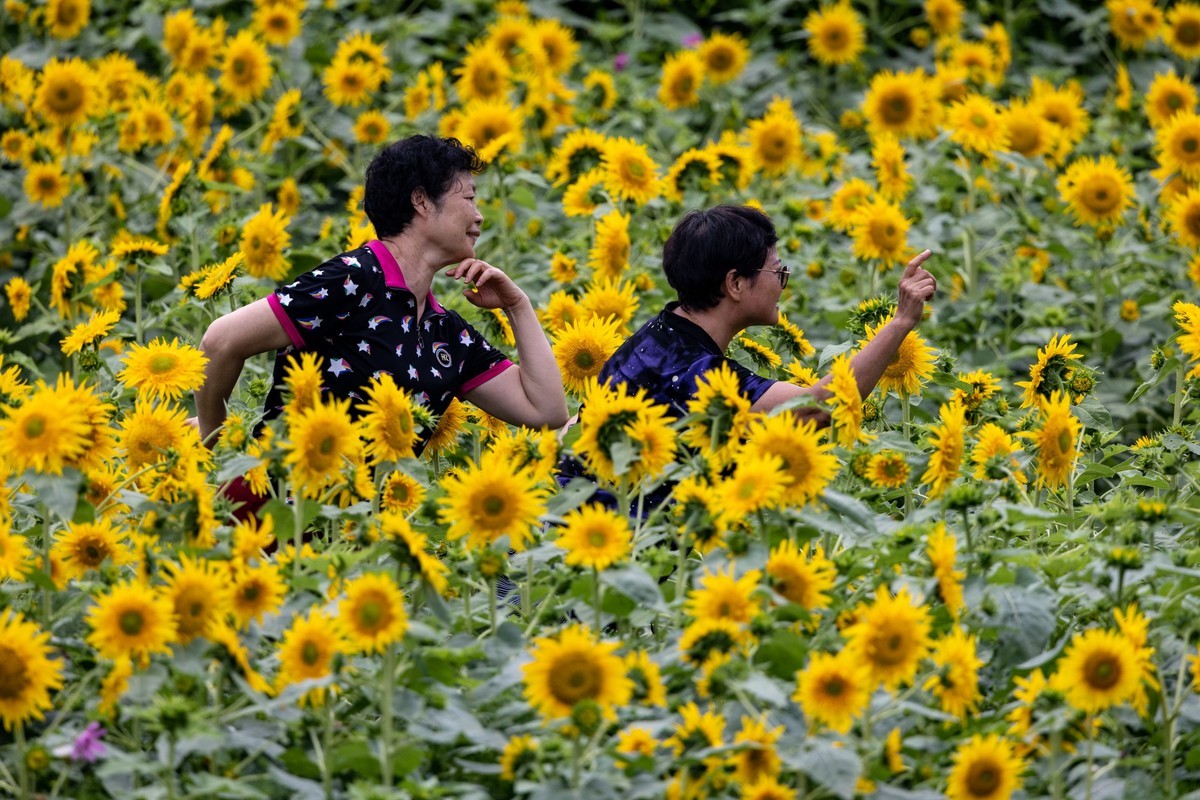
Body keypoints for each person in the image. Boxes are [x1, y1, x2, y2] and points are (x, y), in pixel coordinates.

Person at [195, 135, 569, 475]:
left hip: (355, 538)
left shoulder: (445, 334)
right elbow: (221, 340)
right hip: (274, 517)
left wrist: (517, 306)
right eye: (469, 198)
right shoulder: (356, 278)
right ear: (421, 201)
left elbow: (547, 412)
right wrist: (216, 446)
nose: (478, 216)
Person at [597, 204, 936, 420]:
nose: (782, 285)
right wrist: (901, 321)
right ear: (736, 284)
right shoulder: (698, 375)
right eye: (777, 273)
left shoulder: (653, 337)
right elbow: (816, 406)